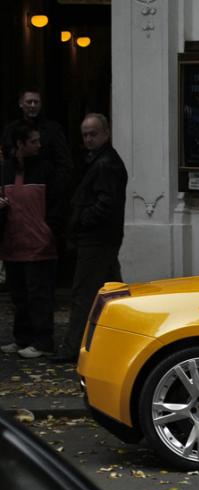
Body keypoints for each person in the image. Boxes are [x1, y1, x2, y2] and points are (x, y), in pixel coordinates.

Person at [54, 114, 127, 363]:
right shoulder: (100, 160)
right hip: (102, 237)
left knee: (84, 293)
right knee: (114, 293)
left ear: (106, 133)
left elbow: (106, 203)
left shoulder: (106, 163)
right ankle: (121, 339)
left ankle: (73, 346)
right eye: (85, 134)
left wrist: (82, 219)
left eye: (93, 134)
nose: (88, 139)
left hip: (97, 238)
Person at [0, 124, 59, 359]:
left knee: (39, 295)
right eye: (33, 141)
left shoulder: (45, 168)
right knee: (19, 295)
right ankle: (22, 337)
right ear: (20, 144)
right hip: (13, 242)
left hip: (38, 243)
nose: (39, 145)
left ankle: (43, 341)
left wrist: (50, 230)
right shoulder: (6, 169)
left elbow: (56, 202)